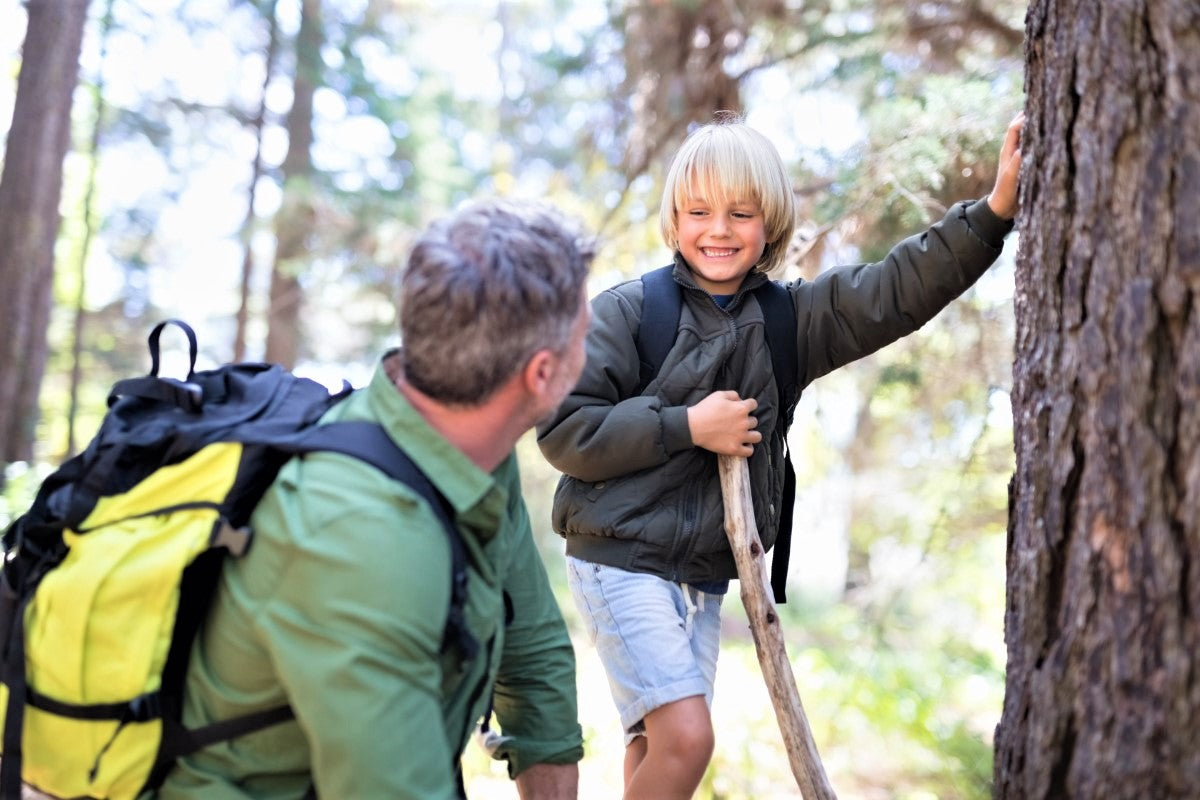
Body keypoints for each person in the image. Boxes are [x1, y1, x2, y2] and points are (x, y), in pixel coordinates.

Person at [536, 111, 1024, 799]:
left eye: (741, 213)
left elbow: (893, 291)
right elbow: (564, 432)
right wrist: (684, 426)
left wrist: (994, 212)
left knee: (653, 743)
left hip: (703, 576)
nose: (719, 230)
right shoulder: (629, 313)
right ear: (674, 219)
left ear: (770, 222)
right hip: (618, 559)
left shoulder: (792, 322)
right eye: (699, 211)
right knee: (687, 737)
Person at [159, 199, 595, 799]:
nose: (591, 347)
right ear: (541, 374)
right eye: (585, 333)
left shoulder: (474, 454)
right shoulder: (357, 538)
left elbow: (533, 651)